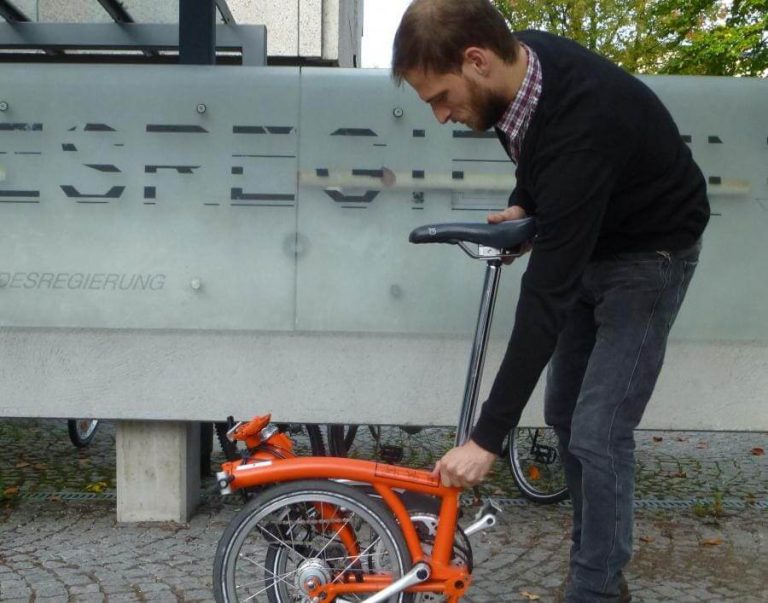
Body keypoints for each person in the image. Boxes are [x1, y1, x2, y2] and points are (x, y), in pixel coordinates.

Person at [392, 1, 710, 601]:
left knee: (598, 429)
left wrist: (486, 439)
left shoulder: (586, 122)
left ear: (477, 61)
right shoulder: (523, 65)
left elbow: (544, 301)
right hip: (592, 234)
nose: (440, 115)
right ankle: (595, 560)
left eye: (441, 97)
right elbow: (538, 151)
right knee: (564, 414)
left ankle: (596, 587)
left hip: (652, 253)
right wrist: (529, 203)